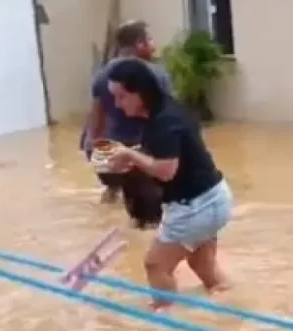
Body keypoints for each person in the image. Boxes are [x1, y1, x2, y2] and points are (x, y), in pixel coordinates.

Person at [103, 59, 232, 310]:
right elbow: (168, 154)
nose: (118, 105)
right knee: (203, 267)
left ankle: (166, 324)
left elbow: (166, 171)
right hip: (214, 198)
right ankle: (231, 311)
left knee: (156, 264)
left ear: (140, 92)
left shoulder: (163, 121)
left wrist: (130, 156)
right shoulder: (167, 110)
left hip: (195, 206)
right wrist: (134, 158)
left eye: (121, 97)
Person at [85, 20, 172, 228]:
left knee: (136, 216)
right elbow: (168, 114)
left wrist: (92, 142)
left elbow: (96, 113)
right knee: (155, 220)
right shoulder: (154, 73)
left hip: (118, 149)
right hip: (147, 151)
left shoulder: (103, 74)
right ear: (139, 44)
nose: (154, 45)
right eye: (150, 40)